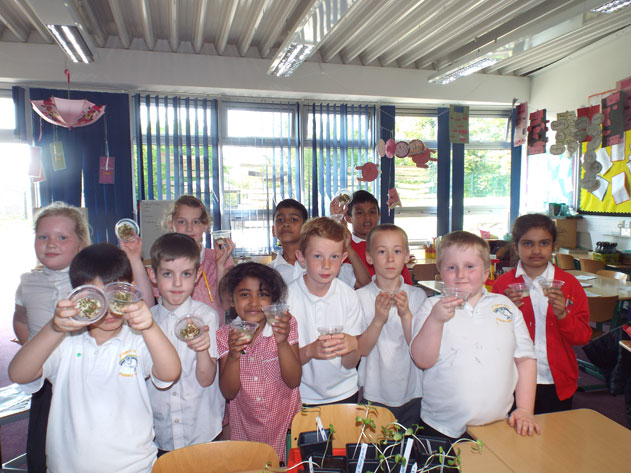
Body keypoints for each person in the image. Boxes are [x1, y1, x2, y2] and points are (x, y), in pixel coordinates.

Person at [9, 243, 181, 473]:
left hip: (135, 467)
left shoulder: (137, 339)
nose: (109, 310)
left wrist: (149, 326)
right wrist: (53, 328)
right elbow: (19, 373)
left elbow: (170, 372)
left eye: (116, 296)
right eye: (97, 298)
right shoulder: (65, 342)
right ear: (79, 297)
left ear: (129, 291)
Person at [410, 231, 539, 441]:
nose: (461, 275)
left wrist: (525, 408)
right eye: (452, 267)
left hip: (497, 424)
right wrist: (435, 320)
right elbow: (422, 361)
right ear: (440, 272)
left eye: (470, 266)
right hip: (440, 426)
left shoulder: (506, 307)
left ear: (487, 273)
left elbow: (525, 360)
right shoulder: (431, 307)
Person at [12, 202, 90, 473]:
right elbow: (20, 318)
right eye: (43, 236)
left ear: (80, 243)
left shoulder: (89, 282)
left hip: (81, 376)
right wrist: (30, 349)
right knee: (41, 450)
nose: (51, 244)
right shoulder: (27, 282)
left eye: (62, 237)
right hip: (43, 379)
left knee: (82, 445)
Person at [493, 214, 591, 414]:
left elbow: (582, 337)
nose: (536, 250)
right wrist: (506, 315)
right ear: (515, 247)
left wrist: (562, 314)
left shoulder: (570, 285)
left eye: (544, 243)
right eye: (527, 243)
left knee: (555, 432)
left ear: (554, 246)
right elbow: (491, 336)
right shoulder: (503, 285)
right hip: (512, 378)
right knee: (513, 431)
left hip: (556, 380)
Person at [146, 233, 223, 455]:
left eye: (186, 274)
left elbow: (206, 379)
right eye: (167, 274)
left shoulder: (206, 316)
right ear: (153, 275)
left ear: (197, 275)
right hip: (161, 432)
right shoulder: (147, 322)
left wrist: (202, 349)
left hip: (202, 430)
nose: (177, 283)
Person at [216, 262, 301, 462]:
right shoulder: (225, 335)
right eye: (245, 294)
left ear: (273, 300)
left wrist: (282, 342)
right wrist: (234, 355)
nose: (254, 302)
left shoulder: (285, 325)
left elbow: (293, 380)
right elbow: (228, 392)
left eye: (262, 294)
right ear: (232, 299)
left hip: (286, 426)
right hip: (245, 430)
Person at [287, 217, 364, 405]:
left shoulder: (349, 296)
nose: (327, 265)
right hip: (302, 396)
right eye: (317, 256)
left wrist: (353, 345)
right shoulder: (286, 299)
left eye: (334, 257)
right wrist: (309, 351)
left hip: (345, 392)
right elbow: (283, 363)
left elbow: (349, 363)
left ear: (343, 258)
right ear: (301, 258)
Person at [357, 224, 426, 427]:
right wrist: (378, 319)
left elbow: (419, 348)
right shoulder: (359, 297)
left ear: (406, 256)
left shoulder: (417, 296)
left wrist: (406, 315)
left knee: (408, 444)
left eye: (396, 251)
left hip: (413, 391)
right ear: (369, 257)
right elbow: (362, 349)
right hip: (373, 391)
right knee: (373, 445)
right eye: (382, 251)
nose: (390, 258)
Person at [127, 195, 235, 319]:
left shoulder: (220, 257)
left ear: (205, 225)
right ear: (171, 224)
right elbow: (149, 307)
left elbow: (226, 305)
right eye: (182, 222)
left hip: (212, 328)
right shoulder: (165, 259)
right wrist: (134, 258)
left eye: (196, 222)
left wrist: (220, 266)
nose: (189, 228)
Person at [332, 190, 413, 288]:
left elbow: (407, 286)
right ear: (348, 218)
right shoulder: (344, 247)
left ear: (379, 216)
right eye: (360, 213)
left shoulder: (390, 246)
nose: (367, 217)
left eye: (372, 212)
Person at [268, 199, 308, 285]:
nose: (286, 224)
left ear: (306, 228)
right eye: (280, 220)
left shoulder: (318, 264)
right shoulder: (268, 272)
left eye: (293, 219)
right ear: (273, 230)